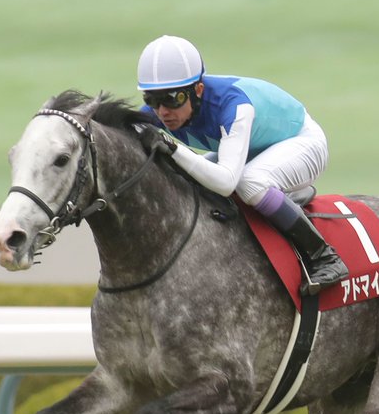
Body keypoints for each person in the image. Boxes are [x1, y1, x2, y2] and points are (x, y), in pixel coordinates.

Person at [134, 35, 348, 294]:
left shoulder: (234, 105)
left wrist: (174, 148)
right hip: (254, 149)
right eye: (152, 100)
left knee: (250, 182)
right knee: (188, 178)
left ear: (198, 90)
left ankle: (324, 256)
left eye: (173, 99)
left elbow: (226, 183)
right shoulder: (159, 113)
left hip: (302, 141)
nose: (162, 112)